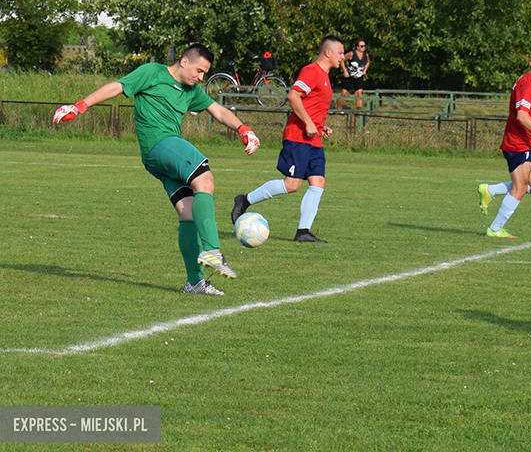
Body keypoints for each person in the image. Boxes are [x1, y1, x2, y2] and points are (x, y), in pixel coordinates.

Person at [53, 43, 260, 296]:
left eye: (204, 73)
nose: (201, 77)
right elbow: (116, 87)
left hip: (159, 157)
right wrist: (79, 106)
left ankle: (194, 283)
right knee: (205, 180)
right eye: (199, 70)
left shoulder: (191, 90)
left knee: (189, 213)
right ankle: (212, 250)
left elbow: (217, 110)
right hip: (160, 144)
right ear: (184, 61)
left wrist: (244, 129)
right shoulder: (152, 72)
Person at [231, 35, 345, 243]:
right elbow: (293, 96)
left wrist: (320, 125)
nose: (342, 57)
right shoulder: (312, 71)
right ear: (327, 53)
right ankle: (245, 200)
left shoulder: (326, 77)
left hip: (314, 140)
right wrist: (309, 124)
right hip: (298, 138)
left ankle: (303, 231)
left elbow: (311, 106)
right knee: (292, 185)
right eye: (340, 53)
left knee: (318, 182)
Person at [477, 49, 531, 238]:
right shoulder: (528, 84)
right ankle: (495, 229)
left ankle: (490, 190)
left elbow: (524, 115)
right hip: (517, 144)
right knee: (520, 188)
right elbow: (521, 115)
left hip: (524, 142)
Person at [336, 38, 370, 110]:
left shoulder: (366, 55)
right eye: (361, 46)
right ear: (357, 47)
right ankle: (337, 109)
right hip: (349, 76)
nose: (363, 47)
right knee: (344, 93)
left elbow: (368, 62)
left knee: (359, 93)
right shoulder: (351, 54)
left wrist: (365, 70)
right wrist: (345, 71)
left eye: (364, 46)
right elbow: (342, 60)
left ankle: (358, 111)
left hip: (358, 76)